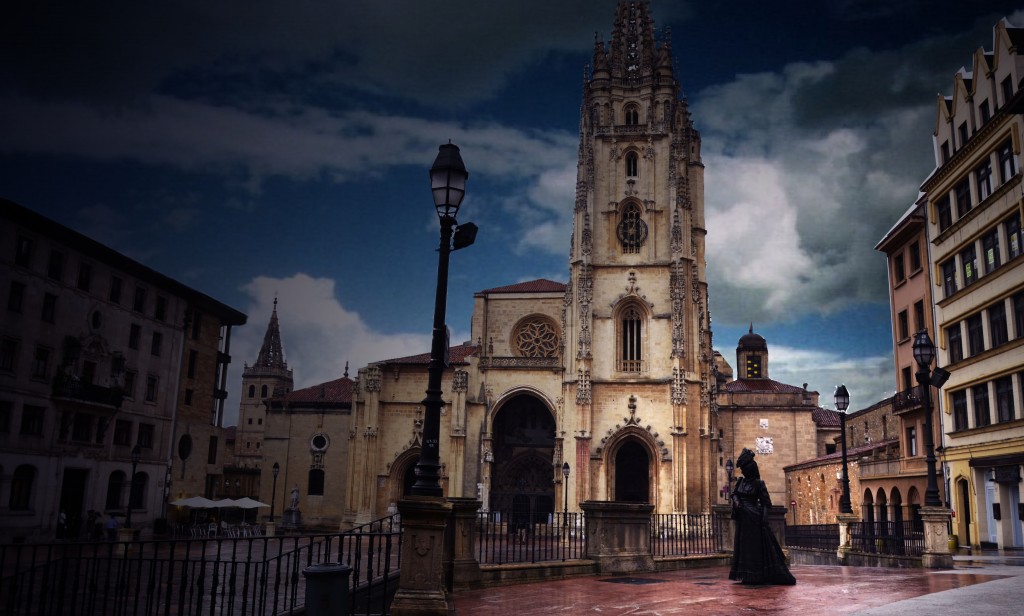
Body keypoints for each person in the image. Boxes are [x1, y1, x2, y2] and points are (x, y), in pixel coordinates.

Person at [728, 448, 796, 585]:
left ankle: (757, 575)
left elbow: (766, 503)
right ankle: (746, 575)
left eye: (745, 469)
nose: (743, 472)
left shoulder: (758, 484)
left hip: (754, 519)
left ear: (751, 470)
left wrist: (764, 519)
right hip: (743, 519)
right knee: (744, 547)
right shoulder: (740, 482)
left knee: (755, 548)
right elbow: (734, 494)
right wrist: (737, 503)